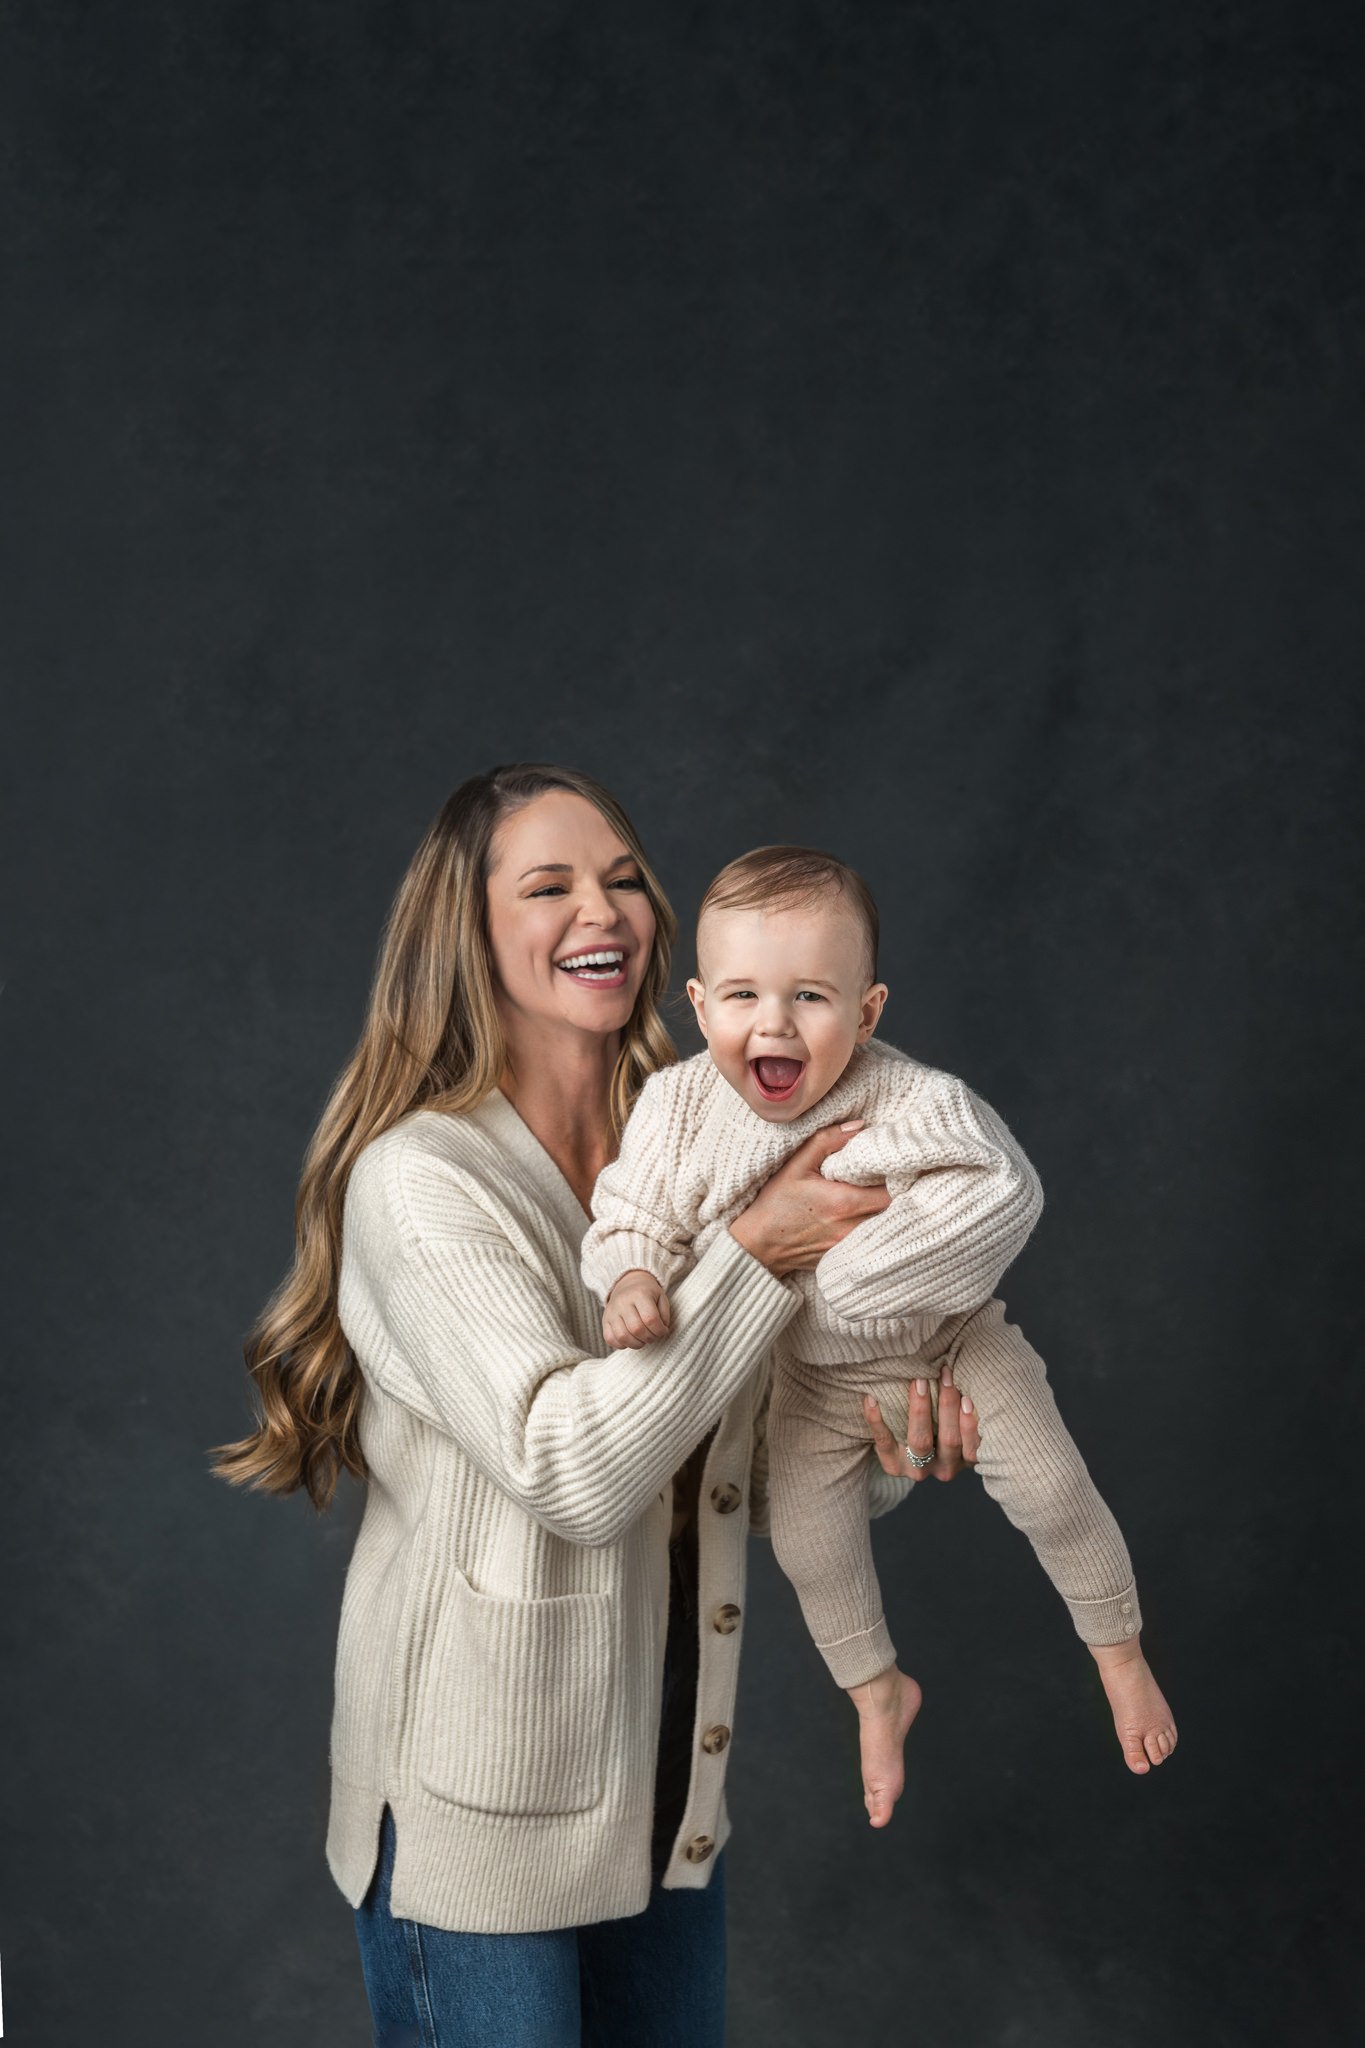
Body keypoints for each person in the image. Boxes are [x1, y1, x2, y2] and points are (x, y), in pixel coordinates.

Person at [209, 763, 978, 2048]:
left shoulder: (689, 1146)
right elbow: (570, 1465)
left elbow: (739, 1465)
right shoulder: (422, 1180)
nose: (603, 909)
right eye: (551, 883)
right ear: (468, 928)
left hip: (667, 1790)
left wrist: (887, 1440)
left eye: (624, 877)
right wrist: (759, 1251)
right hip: (475, 1812)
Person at [581, 844, 1178, 1828]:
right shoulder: (677, 1106)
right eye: (742, 995)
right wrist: (636, 1274)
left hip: (951, 1343)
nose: (772, 1022)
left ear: (868, 1010)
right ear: (696, 1002)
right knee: (814, 1548)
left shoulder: (908, 1098)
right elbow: (632, 1212)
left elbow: (1002, 1185)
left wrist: (869, 1268)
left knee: (1054, 1484)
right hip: (812, 1381)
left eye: (810, 996)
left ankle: (1119, 1650)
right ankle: (875, 1690)